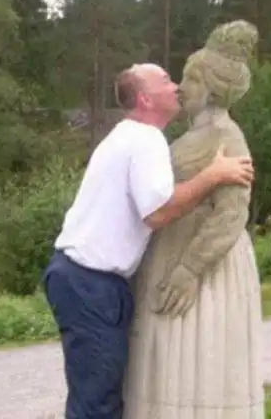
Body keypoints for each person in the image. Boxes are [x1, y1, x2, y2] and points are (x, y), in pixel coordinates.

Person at [41, 63, 255, 419]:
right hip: (89, 282)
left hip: (84, 279)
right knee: (97, 401)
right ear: (145, 99)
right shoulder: (144, 138)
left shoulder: (129, 137)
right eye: (166, 81)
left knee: (99, 392)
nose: (176, 86)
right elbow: (157, 212)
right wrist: (214, 175)